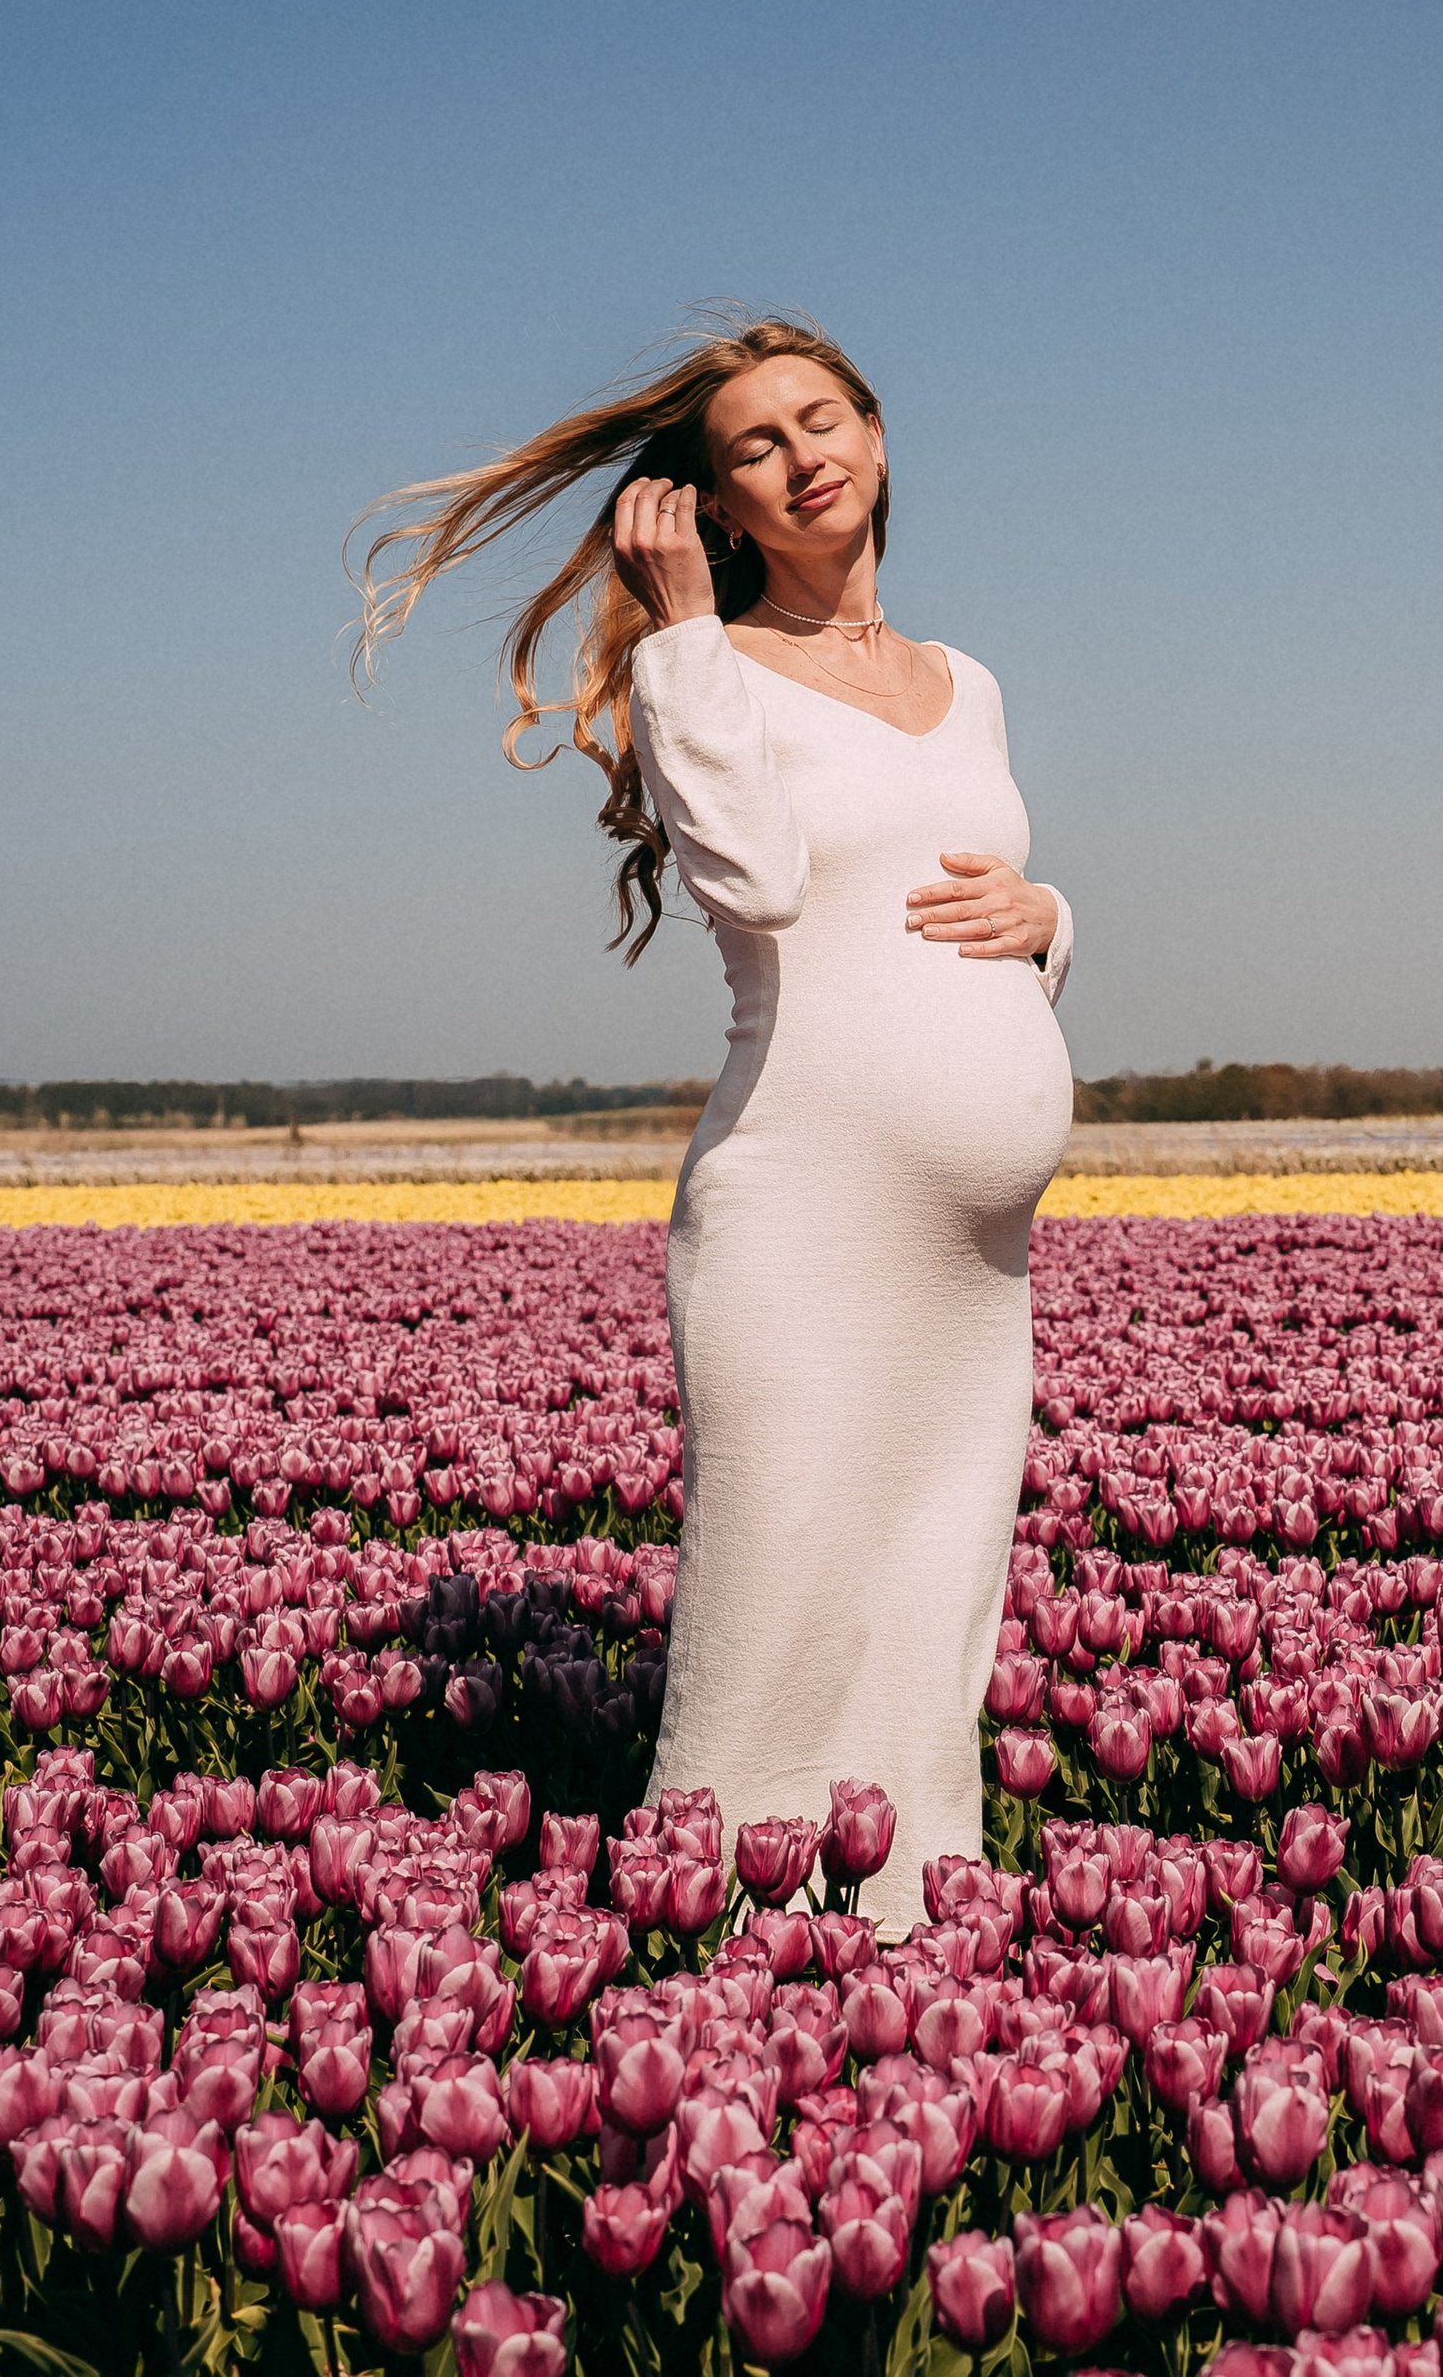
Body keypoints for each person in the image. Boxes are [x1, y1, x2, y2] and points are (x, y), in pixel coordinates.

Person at [359, 315, 1075, 1934]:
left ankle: (904, 1928)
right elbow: (753, 881)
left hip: (973, 1260)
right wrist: (682, 629)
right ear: (715, 505)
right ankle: (721, 1953)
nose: (802, 454)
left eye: (823, 420)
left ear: (880, 440)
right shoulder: (712, 671)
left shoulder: (971, 686)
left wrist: (1054, 917)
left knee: (931, 1589)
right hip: (798, 1211)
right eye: (756, 446)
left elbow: (965, 889)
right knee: (781, 1580)